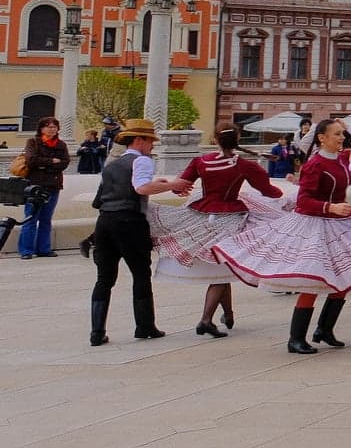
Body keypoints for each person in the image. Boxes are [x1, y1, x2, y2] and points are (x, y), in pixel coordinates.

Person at [211, 119, 351, 353]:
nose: (341, 138)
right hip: (315, 226)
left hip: (341, 225)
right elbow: (304, 200)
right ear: (322, 138)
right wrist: (330, 207)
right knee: (313, 280)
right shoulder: (314, 164)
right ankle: (296, 338)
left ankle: (324, 330)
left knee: (344, 278)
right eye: (337, 134)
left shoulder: (342, 160)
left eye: (342, 134)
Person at [149, 126, 281, 337]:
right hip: (230, 218)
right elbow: (270, 191)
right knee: (222, 268)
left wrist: (175, 186)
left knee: (222, 269)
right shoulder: (244, 165)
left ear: (215, 139)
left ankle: (228, 314)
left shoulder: (201, 161)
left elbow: (179, 186)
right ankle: (206, 320)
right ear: (238, 138)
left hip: (201, 214)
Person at [86, 119, 180, 345]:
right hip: (130, 221)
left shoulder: (111, 165)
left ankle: (96, 332)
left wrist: (156, 183)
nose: (152, 145)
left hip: (104, 221)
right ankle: (145, 326)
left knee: (104, 279)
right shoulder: (143, 161)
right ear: (139, 140)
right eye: (150, 141)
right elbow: (141, 188)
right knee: (140, 274)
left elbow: (98, 200)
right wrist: (171, 185)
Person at [18, 116, 70, 259]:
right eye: (48, 126)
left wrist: (44, 165)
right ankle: (26, 250)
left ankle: (44, 249)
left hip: (53, 185)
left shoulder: (61, 145)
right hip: (35, 186)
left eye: (54, 127)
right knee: (31, 218)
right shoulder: (33, 142)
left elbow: (65, 163)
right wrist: (52, 161)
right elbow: (31, 161)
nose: (52, 129)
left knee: (46, 219)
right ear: (41, 129)